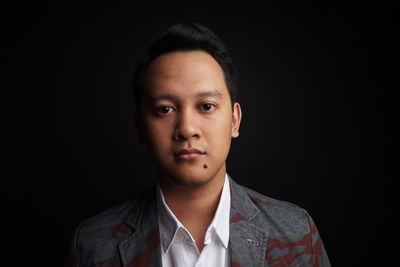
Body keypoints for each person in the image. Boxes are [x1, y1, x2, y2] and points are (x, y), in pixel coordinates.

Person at [66, 23, 331, 267]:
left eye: (206, 106)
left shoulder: (296, 235)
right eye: (165, 109)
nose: (187, 128)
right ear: (140, 127)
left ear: (234, 120)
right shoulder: (94, 245)